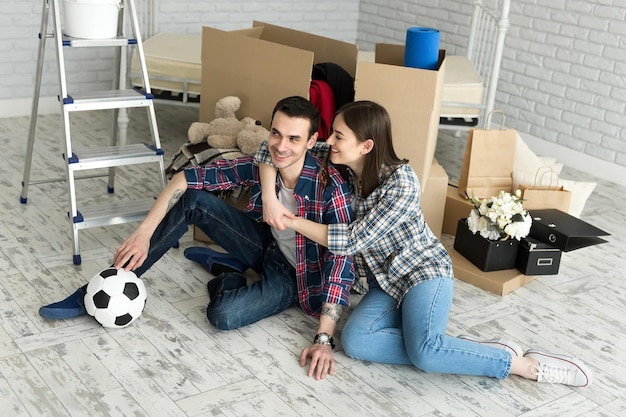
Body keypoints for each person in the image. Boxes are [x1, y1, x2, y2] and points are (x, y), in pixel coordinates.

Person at [255, 100, 593, 387]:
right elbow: (268, 150)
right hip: (384, 281)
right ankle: (457, 348)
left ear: (366, 146)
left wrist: (293, 220)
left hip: (423, 273)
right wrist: (271, 201)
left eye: (338, 135)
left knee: (426, 353)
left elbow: (353, 239)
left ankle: (524, 366)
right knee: (356, 342)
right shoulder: (343, 161)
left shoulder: (401, 182)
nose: (329, 141)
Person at [39, 96, 355, 378]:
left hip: (295, 277)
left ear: (312, 141)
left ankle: (227, 274)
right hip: (264, 244)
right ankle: (95, 289)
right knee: (194, 199)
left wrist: (324, 338)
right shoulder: (265, 162)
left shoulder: (330, 188)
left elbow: (341, 264)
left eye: (293, 138)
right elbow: (186, 178)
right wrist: (144, 233)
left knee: (222, 316)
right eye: (276, 133)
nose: (281, 146)